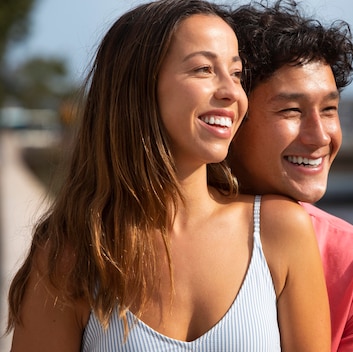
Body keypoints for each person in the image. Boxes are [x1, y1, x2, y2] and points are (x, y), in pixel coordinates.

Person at [5, 1, 330, 351]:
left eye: (236, 73)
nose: (231, 92)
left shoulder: (279, 231)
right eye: (204, 69)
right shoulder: (73, 253)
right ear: (139, 86)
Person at [228, 1, 353, 351]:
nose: (321, 136)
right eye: (292, 110)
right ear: (229, 115)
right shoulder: (136, 235)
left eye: (329, 109)